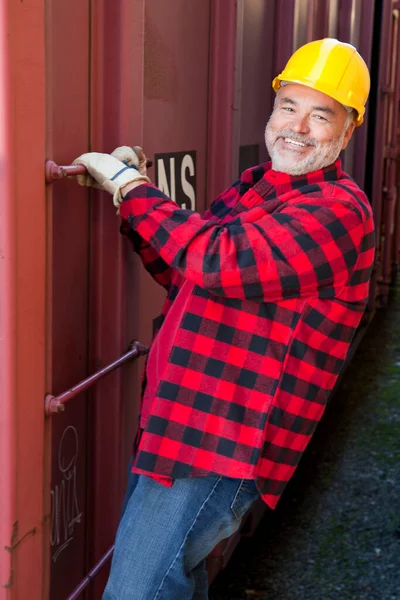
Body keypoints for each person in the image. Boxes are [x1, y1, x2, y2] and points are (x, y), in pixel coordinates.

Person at [73, 38, 375, 600]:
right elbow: (186, 270)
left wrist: (132, 190)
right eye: (289, 107)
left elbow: (218, 260)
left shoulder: (340, 212)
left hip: (224, 440)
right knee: (167, 584)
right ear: (272, 107)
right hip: (180, 422)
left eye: (321, 115)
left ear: (349, 130)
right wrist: (129, 201)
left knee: (137, 592)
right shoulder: (258, 188)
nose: (298, 127)